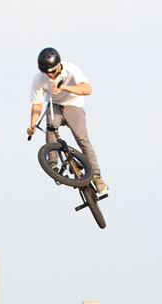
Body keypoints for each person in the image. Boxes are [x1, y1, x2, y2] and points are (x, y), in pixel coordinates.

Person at [27, 47, 108, 194]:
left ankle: (97, 176)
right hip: (55, 105)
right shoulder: (39, 79)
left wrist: (64, 88)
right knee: (51, 127)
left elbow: (87, 89)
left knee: (82, 138)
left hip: (74, 105)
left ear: (58, 66)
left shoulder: (71, 69)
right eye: (46, 73)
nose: (50, 75)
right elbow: (37, 104)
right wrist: (32, 124)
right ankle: (53, 162)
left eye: (52, 71)